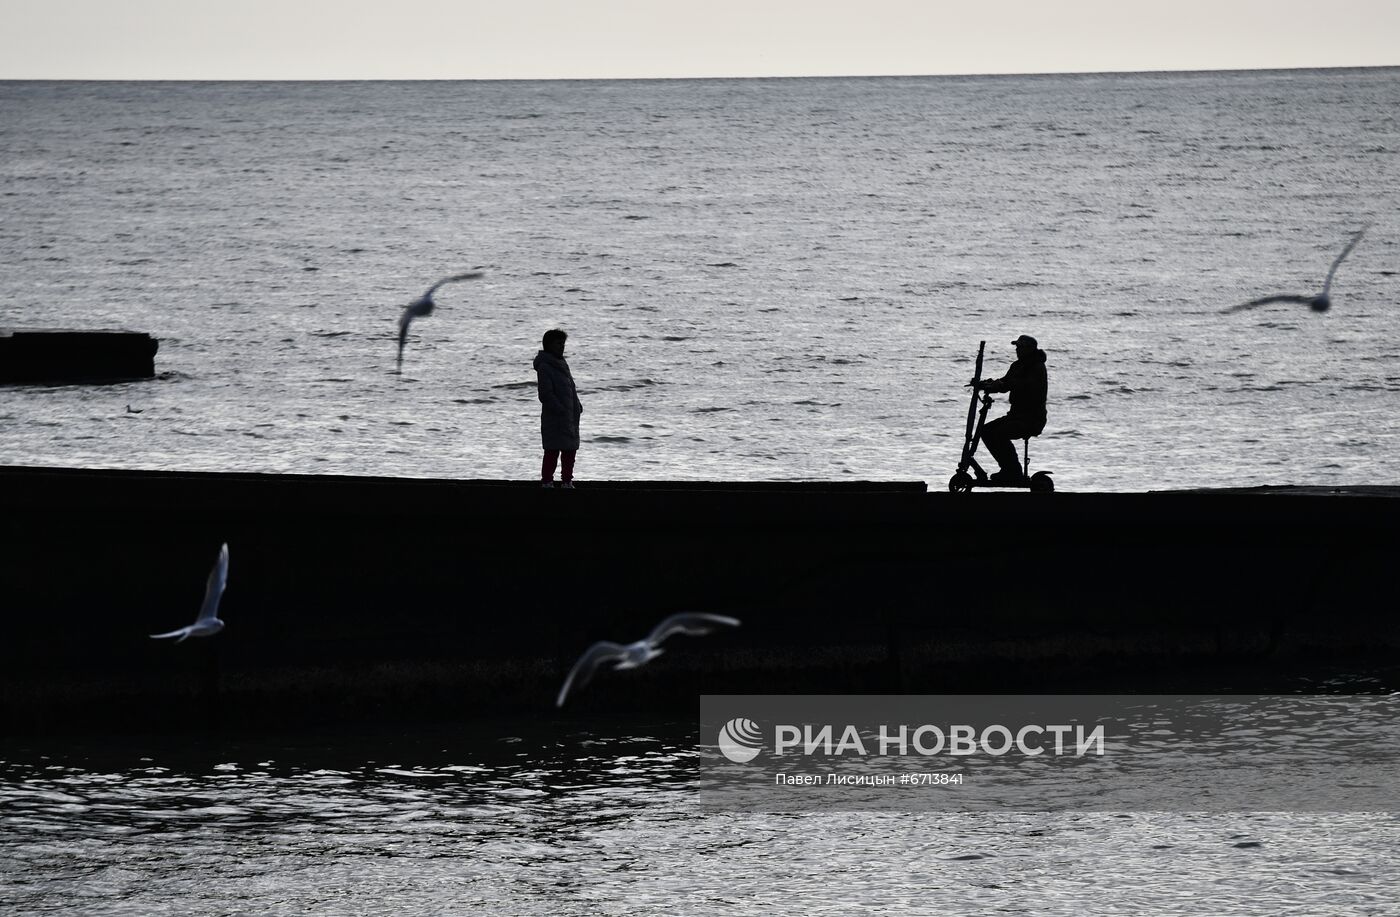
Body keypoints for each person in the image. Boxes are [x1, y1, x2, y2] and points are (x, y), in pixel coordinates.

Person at [975, 334, 1048, 484]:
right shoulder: (1017, 366)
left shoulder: (1037, 367)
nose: (1017, 350)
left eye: (1020, 347)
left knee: (999, 434)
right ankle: (1008, 469)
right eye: (1017, 347)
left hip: (1031, 418)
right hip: (1015, 415)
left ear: (1029, 349)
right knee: (986, 431)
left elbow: (1022, 384)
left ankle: (1013, 471)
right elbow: (1006, 382)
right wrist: (988, 384)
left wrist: (1002, 385)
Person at [534, 328, 583, 488]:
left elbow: (570, 387)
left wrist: (577, 405)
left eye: (563, 343)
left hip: (569, 415)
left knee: (570, 451)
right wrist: (560, 409)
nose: (562, 346)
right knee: (552, 450)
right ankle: (547, 481)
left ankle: (567, 481)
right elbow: (545, 394)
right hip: (555, 417)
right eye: (558, 343)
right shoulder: (545, 366)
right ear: (549, 345)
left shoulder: (562, 363)